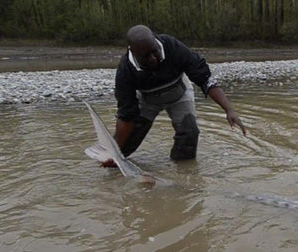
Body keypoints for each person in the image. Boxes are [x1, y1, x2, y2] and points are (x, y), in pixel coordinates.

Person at [103, 25, 246, 167]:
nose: (153, 59)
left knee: (189, 134)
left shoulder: (172, 46)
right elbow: (126, 114)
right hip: (148, 100)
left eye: (155, 52)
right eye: (145, 56)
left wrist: (229, 110)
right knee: (123, 150)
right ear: (133, 52)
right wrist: (115, 152)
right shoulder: (125, 70)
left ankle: (183, 171)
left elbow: (204, 78)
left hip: (179, 94)